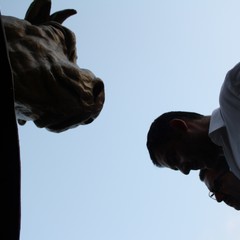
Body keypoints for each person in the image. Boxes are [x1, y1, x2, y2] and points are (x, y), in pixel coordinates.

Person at [146, 62, 240, 180]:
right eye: (177, 168)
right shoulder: (236, 168)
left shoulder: (233, 91)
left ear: (179, 126)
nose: (185, 171)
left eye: (174, 158)